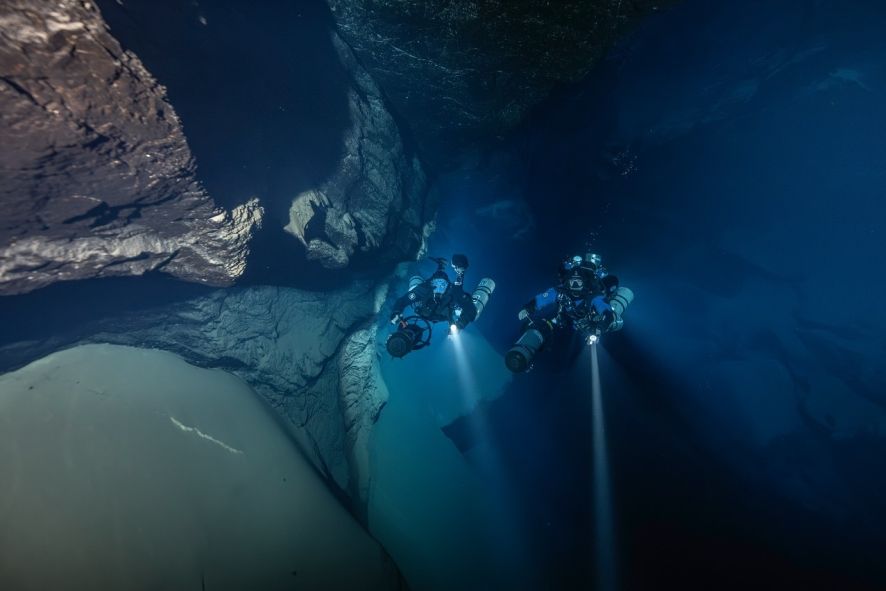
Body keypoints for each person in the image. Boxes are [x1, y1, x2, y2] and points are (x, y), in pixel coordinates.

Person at [505, 252, 632, 372]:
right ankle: (527, 348)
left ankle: (613, 322)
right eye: (572, 282)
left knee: (606, 324)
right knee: (541, 326)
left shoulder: (594, 296)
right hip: (565, 318)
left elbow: (607, 314)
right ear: (567, 282)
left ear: (585, 283)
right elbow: (543, 298)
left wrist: (597, 330)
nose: (575, 286)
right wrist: (528, 308)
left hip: (587, 321)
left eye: (578, 282)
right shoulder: (560, 291)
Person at [386, 254, 482, 357]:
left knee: (463, 307)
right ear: (431, 282)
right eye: (436, 281)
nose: (440, 285)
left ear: (448, 284)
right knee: (414, 290)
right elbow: (403, 301)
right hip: (429, 312)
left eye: (443, 283)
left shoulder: (453, 293)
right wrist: (396, 312)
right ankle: (441, 266)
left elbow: (471, 311)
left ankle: (441, 266)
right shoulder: (423, 290)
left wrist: (459, 325)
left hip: (437, 312)